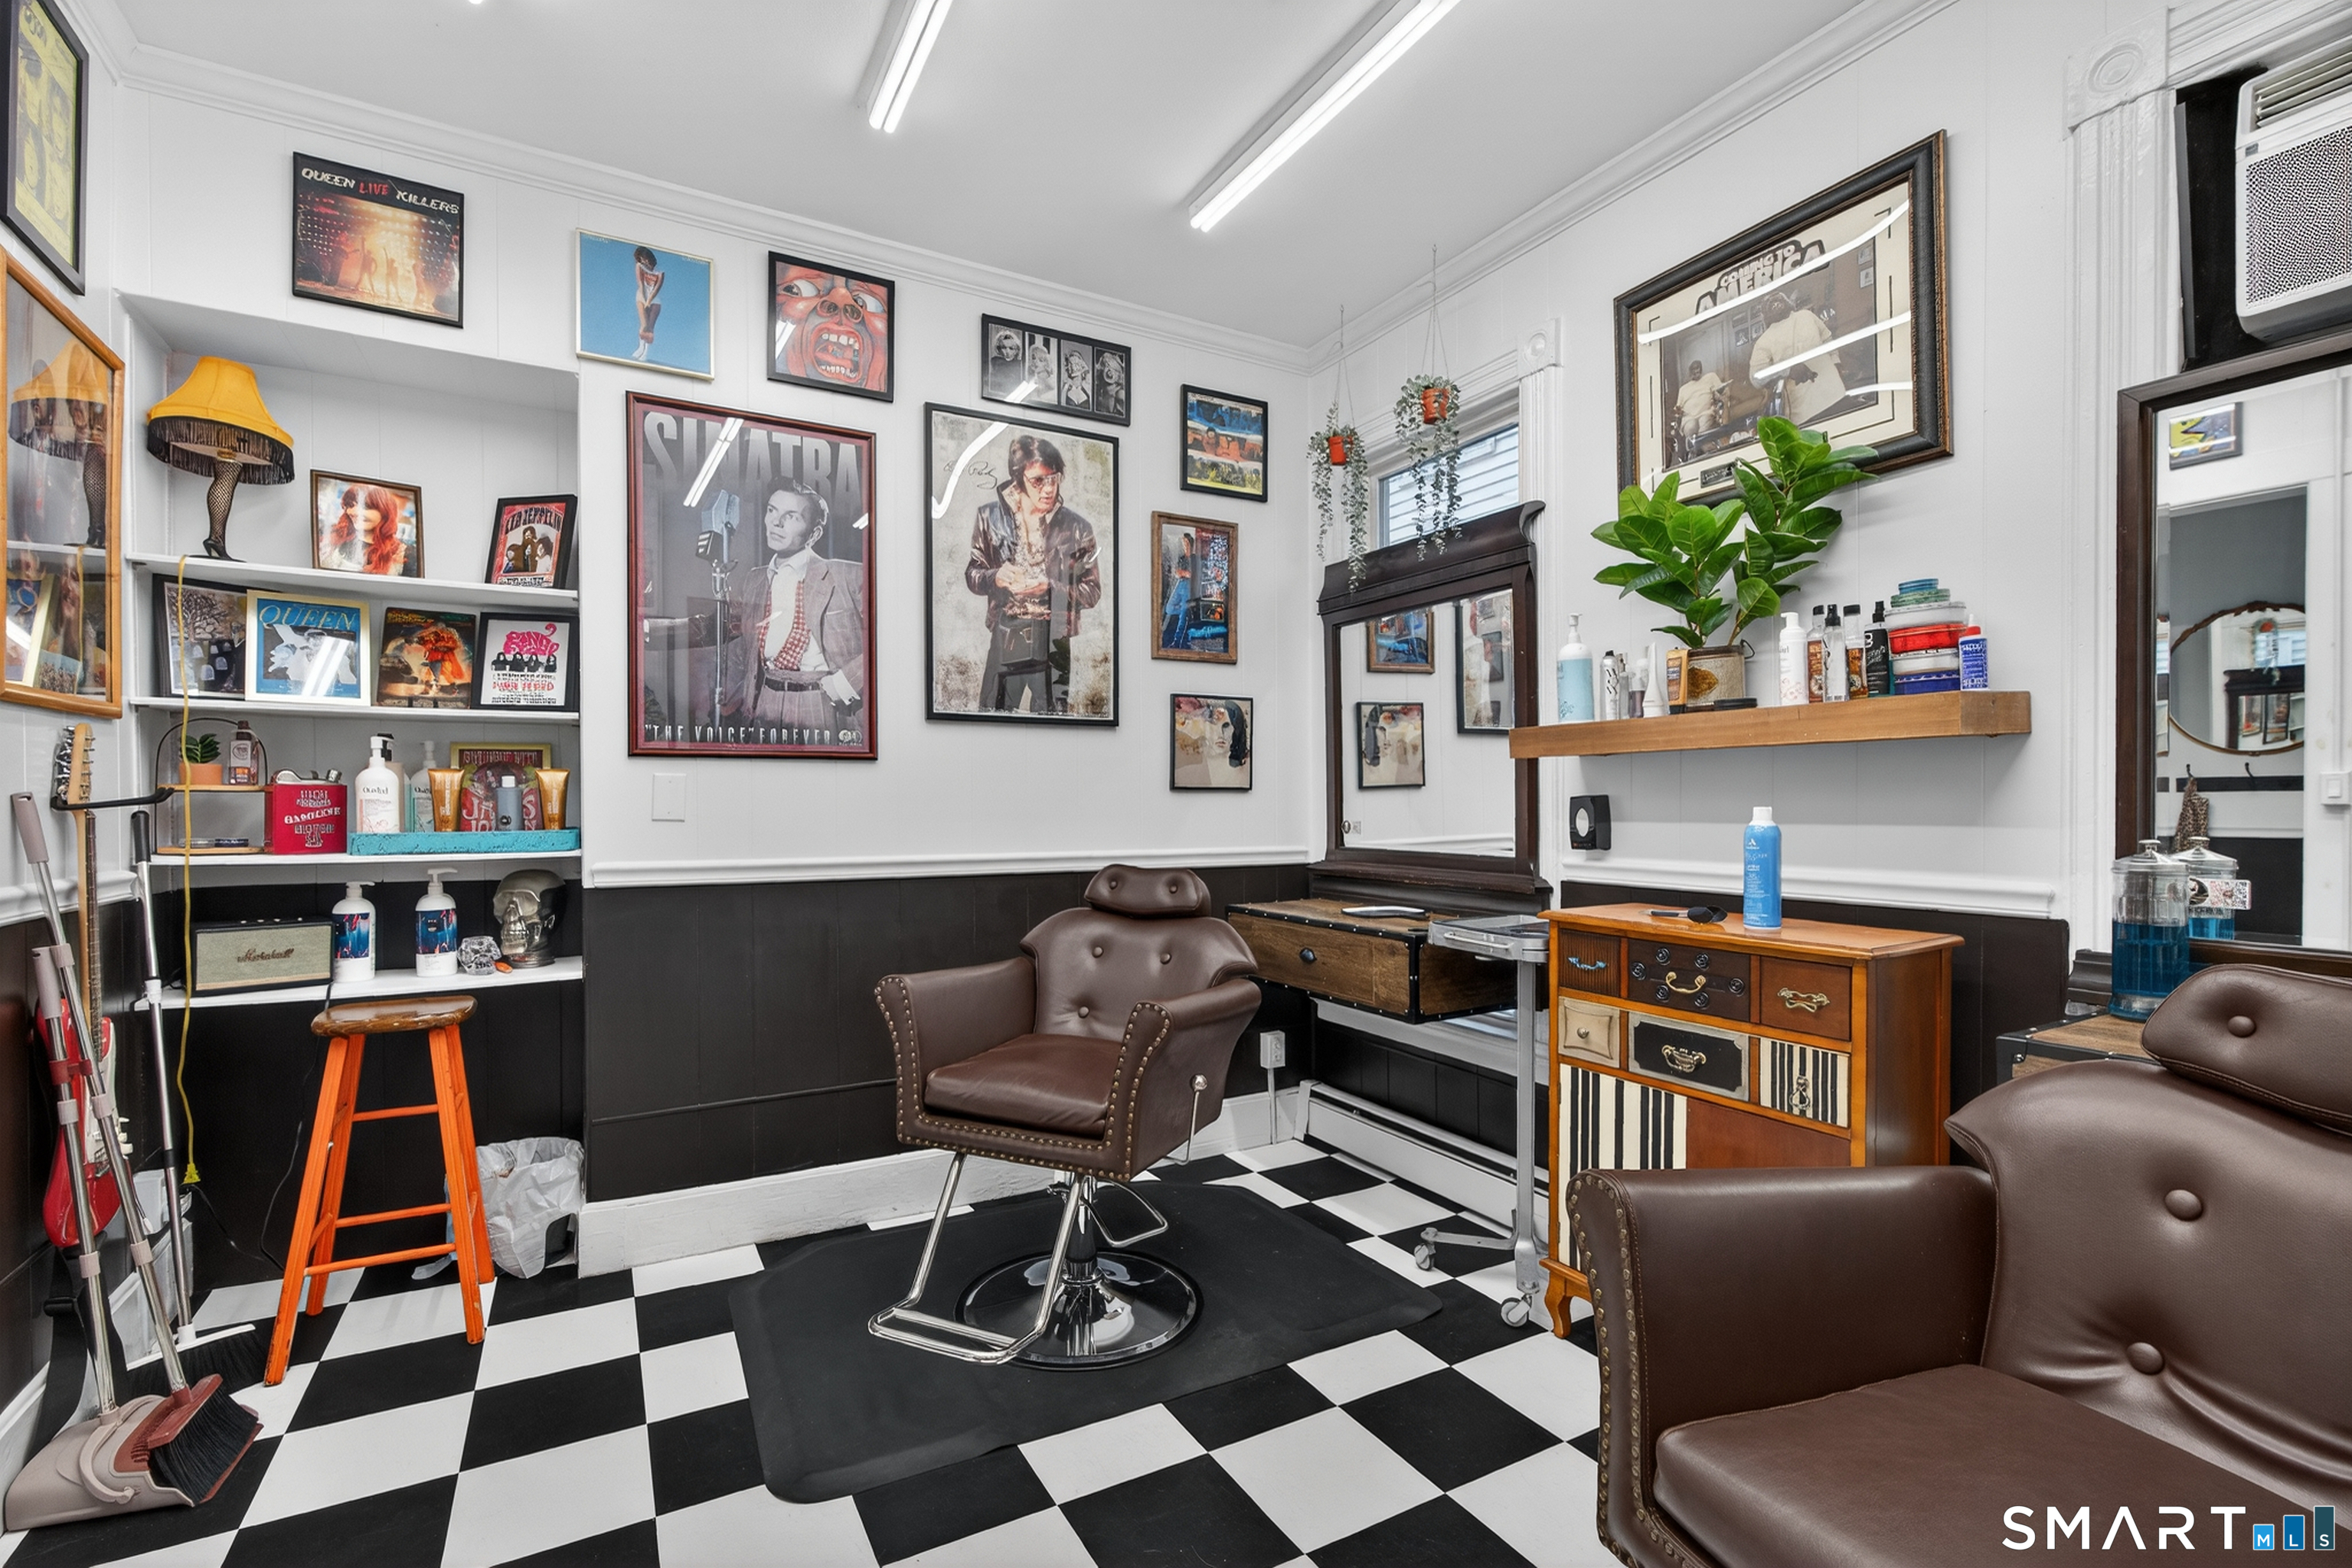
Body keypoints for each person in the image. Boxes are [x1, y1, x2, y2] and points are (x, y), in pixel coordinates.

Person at [963, 434, 1101, 714]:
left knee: (1054, 724)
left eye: (1055, 478)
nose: (1049, 488)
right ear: (1019, 479)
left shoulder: (1078, 528)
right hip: (1007, 632)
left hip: (1053, 638)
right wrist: (996, 577)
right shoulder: (989, 517)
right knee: (992, 718)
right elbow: (973, 574)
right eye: (1039, 480)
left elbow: (1092, 592)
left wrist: (1050, 588)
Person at [724, 482, 866, 740]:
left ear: (814, 533)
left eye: (791, 517)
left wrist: (845, 682)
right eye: (771, 511)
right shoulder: (754, 579)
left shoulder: (848, 575)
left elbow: (891, 635)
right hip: (765, 700)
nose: (776, 523)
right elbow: (733, 637)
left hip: (821, 702)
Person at [1749, 292, 1846, 426]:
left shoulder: (1806, 316)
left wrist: (1836, 363)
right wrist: (1788, 370)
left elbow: (1756, 378)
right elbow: (1756, 378)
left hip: (1830, 396)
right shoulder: (1764, 341)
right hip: (1810, 408)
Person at [1674, 357, 1723, 446]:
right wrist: (1678, 411)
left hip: (1707, 413)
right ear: (1690, 372)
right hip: (1689, 417)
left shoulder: (1710, 377)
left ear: (1701, 369)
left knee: (1704, 424)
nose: (1696, 372)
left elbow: (1722, 393)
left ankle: (1703, 450)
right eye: (1694, 369)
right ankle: (1701, 449)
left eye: (1698, 369)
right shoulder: (1683, 389)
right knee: (1690, 427)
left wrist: (1718, 395)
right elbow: (1678, 409)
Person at [632, 244, 665, 362]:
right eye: (641, 258)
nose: (643, 260)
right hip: (641, 297)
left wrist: (650, 301)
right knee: (644, 324)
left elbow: (656, 289)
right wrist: (645, 301)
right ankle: (640, 348)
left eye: (645, 257)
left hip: (655, 300)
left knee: (650, 328)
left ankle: (645, 353)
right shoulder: (639, 266)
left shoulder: (659, 272)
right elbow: (641, 284)